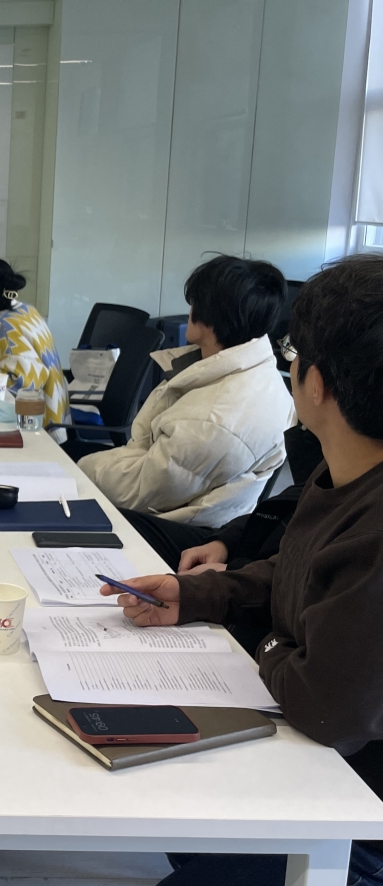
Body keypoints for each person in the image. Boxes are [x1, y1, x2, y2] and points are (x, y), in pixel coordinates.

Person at [101, 254, 383, 886]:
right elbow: (298, 569)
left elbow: (326, 704)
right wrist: (197, 595)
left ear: (317, 383)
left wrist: (271, 643)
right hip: (327, 767)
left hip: (354, 819)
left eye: (294, 353)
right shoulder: (342, 471)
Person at [77, 254, 295, 529]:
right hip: (163, 501)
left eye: (195, 302)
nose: (190, 309)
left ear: (213, 317)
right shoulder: (243, 369)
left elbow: (138, 491)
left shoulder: (215, 420)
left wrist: (77, 468)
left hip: (169, 529)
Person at [120, 425, 324, 574]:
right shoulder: (322, 451)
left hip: (258, 581)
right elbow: (284, 512)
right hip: (242, 548)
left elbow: (152, 483)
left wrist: (231, 573)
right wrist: (225, 541)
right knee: (123, 523)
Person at [0, 258, 69, 430]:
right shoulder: (24, 310)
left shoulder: (3, 326)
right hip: (56, 417)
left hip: (42, 426)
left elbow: (23, 385)